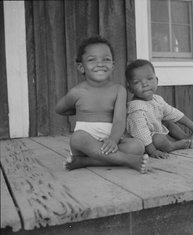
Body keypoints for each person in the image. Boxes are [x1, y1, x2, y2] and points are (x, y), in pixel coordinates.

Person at [55, 36, 149, 173]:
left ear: (113, 65)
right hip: (85, 144)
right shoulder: (77, 92)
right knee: (77, 137)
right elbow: (60, 109)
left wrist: (113, 139)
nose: (100, 64)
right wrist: (78, 110)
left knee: (138, 146)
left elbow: (119, 120)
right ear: (81, 67)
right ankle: (127, 160)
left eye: (106, 59)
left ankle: (85, 162)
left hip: (111, 140)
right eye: (92, 60)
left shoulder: (119, 90)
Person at [125, 59, 193, 159]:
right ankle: (172, 146)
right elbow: (141, 133)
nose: (145, 84)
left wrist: (192, 126)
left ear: (156, 81)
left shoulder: (157, 99)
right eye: (137, 82)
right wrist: (152, 151)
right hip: (144, 143)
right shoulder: (136, 108)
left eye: (149, 79)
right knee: (157, 138)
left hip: (156, 131)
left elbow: (173, 113)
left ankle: (187, 139)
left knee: (169, 122)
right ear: (130, 88)